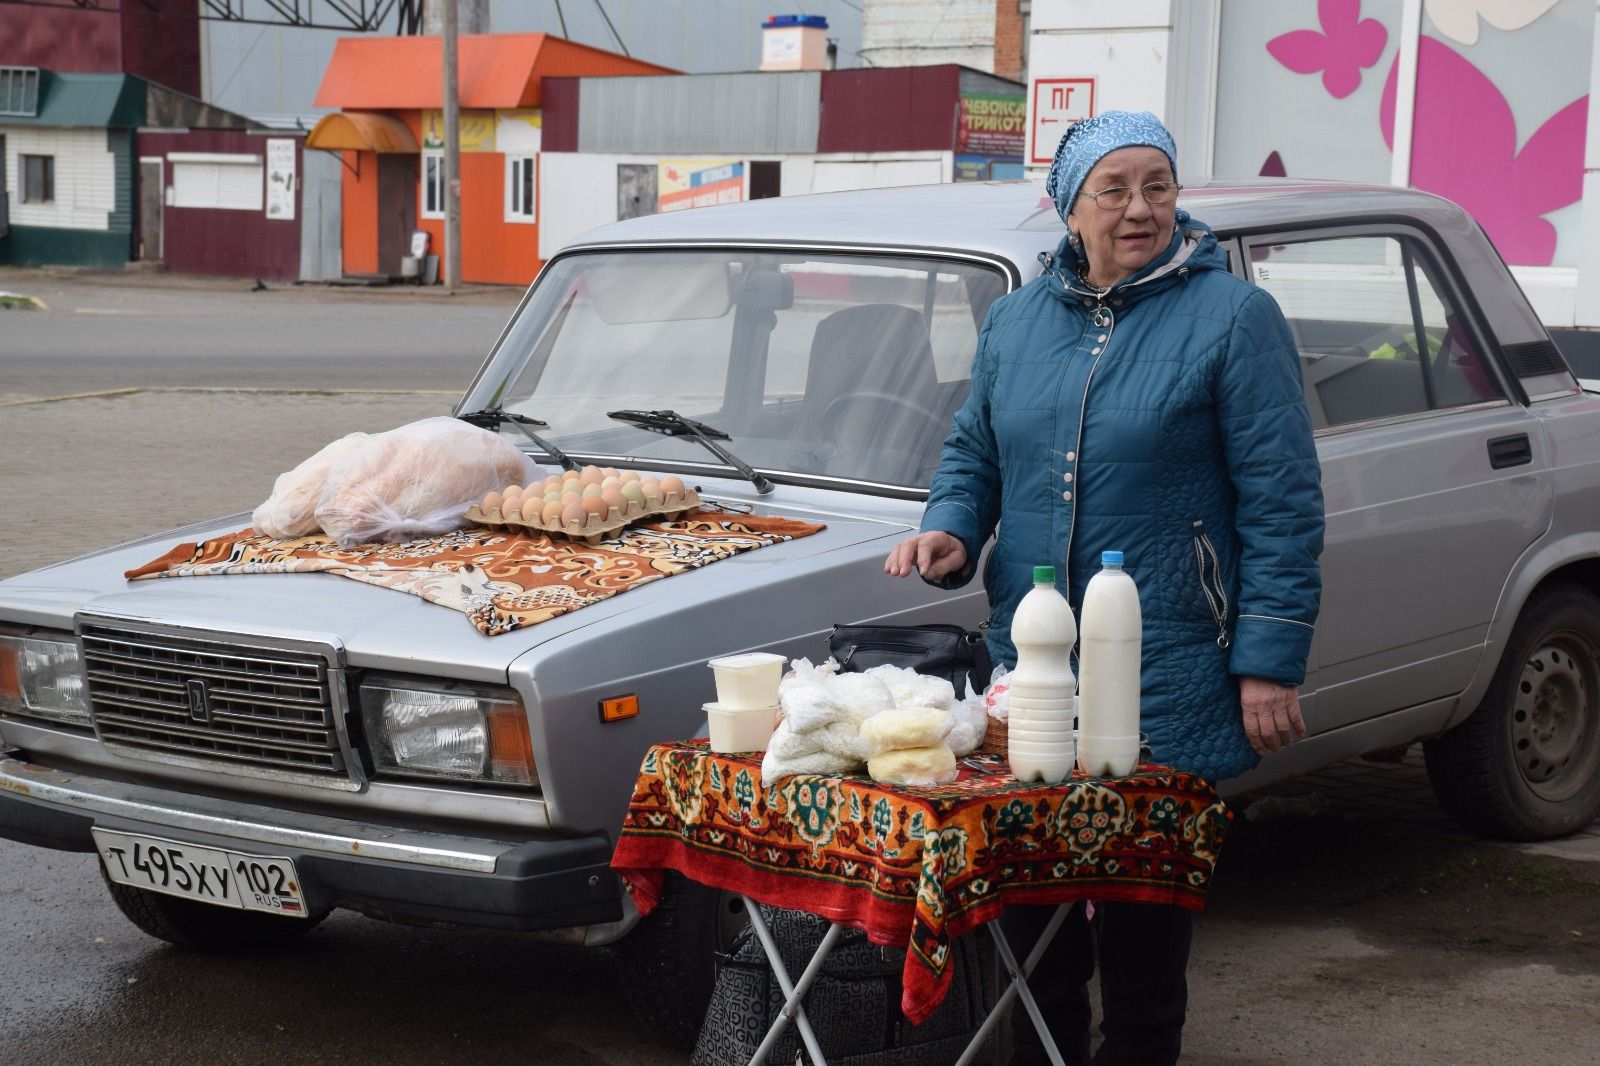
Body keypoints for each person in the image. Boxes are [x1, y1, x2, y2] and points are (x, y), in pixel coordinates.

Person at [884, 110, 1325, 1065]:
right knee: (1038, 893)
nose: (1140, 209)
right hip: (1036, 655)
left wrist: (1268, 662)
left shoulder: (1234, 319)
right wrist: (950, 524)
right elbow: (973, 447)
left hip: (1172, 654)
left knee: (1142, 905)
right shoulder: (1017, 319)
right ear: (1066, 208)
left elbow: (1283, 503)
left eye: (1156, 187)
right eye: (1114, 190)